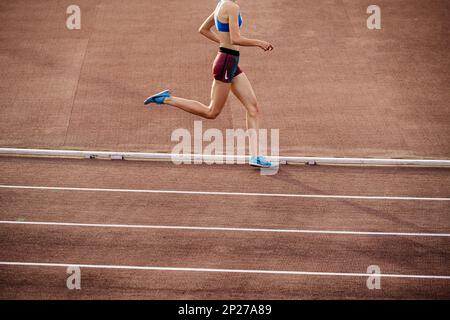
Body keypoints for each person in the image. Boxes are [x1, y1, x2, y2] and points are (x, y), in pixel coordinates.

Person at [144, 0, 274, 168]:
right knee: (211, 112)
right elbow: (235, 38)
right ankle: (167, 99)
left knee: (253, 108)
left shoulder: (222, 4)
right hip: (227, 62)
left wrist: (223, 42)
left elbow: (203, 29)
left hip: (230, 61)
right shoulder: (232, 7)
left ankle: (255, 156)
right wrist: (259, 42)